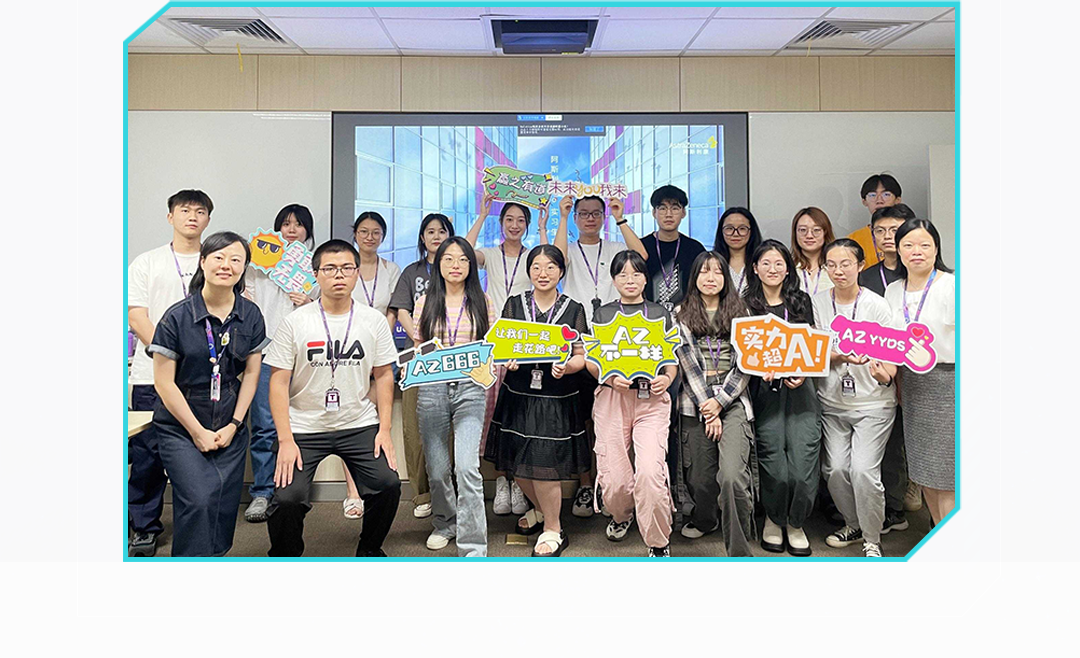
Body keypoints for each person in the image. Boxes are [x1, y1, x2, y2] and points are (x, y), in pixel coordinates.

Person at [264, 240, 401, 557]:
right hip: (304, 426)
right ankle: (285, 556)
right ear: (316, 275)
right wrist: (285, 439)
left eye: (346, 268)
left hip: (358, 422)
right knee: (287, 499)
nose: (339, 275)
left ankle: (369, 550)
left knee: (388, 484)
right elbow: (278, 382)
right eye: (330, 268)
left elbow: (384, 375)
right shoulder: (296, 321)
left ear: (357, 273)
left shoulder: (373, 320)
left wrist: (384, 429)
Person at [148, 232, 268, 556]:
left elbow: (252, 373)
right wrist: (197, 431)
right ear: (203, 262)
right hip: (181, 423)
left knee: (222, 503)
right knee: (199, 499)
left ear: (244, 268)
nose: (226, 265)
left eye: (236, 259)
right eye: (218, 257)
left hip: (229, 419)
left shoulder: (251, 315)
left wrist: (234, 424)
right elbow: (164, 383)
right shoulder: (176, 317)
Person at [484, 245, 591, 557]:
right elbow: (500, 346)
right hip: (518, 395)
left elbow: (582, 356)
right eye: (536, 267)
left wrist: (568, 367)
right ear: (528, 271)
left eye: (550, 267)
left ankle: (554, 529)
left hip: (555, 398)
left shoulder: (573, 308)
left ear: (561, 271)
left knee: (544, 466)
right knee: (517, 465)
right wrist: (506, 360)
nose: (543, 274)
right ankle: (544, 511)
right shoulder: (514, 304)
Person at [127, 189, 213, 556]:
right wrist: (169, 355)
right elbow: (137, 317)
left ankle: (197, 524)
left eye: (200, 211)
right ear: (170, 216)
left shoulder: (217, 260)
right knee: (147, 456)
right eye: (184, 210)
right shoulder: (146, 262)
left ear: (208, 219)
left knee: (198, 454)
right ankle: (143, 527)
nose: (192, 216)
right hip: (151, 376)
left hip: (202, 380)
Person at [554, 195, 647, 518]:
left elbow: (642, 257)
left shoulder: (615, 248)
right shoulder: (569, 247)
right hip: (578, 341)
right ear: (576, 218)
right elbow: (557, 260)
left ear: (603, 217)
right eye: (583, 214)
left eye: (596, 213)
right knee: (582, 420)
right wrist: (562, 217)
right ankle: (587, 484)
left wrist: (621, 218)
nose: (590, 218)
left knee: (616, 421)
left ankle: (615, 484)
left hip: (615, 343)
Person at [586, 250, 678, 558]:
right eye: (622, 274)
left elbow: (670, 358)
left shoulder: (660, 313)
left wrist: (667, 378)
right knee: (614, 479)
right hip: (612, 398)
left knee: (650, 471)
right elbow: (592, 361)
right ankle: (622, 515)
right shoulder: (602, 314)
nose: (630, 280)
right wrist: (610, 378)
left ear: (645, 279)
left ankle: (658, 541)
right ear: (613, 280)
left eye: (636, 274)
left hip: (651, 400)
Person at [812, 239, 899, 558]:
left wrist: (884, 375)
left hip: (873, 403)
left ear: (861, 265)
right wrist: (839, 356)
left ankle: (872, 539)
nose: (839, 271)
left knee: (863, 471)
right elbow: (813, 351)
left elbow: (892, 355)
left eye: (846, 263)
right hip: (832, 402)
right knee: (834, 469)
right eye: (832, 265)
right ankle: (854, 524)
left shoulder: (877, 305)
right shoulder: (818, 302)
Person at [466, 195, 550, 517]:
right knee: (495, 413)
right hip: (494, 341)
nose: (515, 225)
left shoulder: (532, 257)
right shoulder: (489, 254)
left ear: (527, 225)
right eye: (509, 220)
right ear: (501, 223)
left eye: (521, 221)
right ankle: (503, 479)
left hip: (526, 343)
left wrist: (543, 227)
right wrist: (482, 215)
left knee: (521, 412)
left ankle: (519, 481)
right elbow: (463, 251)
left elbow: (552, 260)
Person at [413, 237, 497, 557]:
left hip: (470, 389)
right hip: (432, 389)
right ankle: (445, 523)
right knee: (437, 469)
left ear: (471, 266)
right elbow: (420, 347)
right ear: (438, 264)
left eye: (463, 260)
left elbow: (491, 347)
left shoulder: (483, 301)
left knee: (467, 467)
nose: (456, 266)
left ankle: (473, 544)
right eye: (448, 259)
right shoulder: (425, 302)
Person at [673, 251, 756, 557]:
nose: (711, 278)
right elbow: (687, 363)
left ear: (726, 278)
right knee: (700, 480)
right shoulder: (679, 313)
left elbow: (747, 363)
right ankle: (706, 519)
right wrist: (708, 405)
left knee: (732, 477)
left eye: (718, 272)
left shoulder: (742, 311)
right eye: (704, 272)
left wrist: (720, 403)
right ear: (694, 277)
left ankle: (740, 554)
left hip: (733, 400)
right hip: (694, 400)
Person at [744, 239, 821, 557]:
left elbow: (812, 344)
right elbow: (742, 351)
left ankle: (796, 523)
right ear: (755, 268)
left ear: (788, 269)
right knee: (773, 460)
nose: (772, 269)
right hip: (763, 390)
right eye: (766, 263)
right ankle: (774, 520)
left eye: (779, 263)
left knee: (803, 462)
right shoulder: (745, 304)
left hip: (801, 389)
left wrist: (803, 371)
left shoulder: (800, 301)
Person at [242, 204, 318, 524]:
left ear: (307, 230)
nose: (292, 230)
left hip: (304, 354)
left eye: (298, 225)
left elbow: (330, 309)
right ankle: (262, 491)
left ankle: (293, 491)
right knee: (264, 425)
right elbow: (245, 300)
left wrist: (310, 302)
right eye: (286, 224)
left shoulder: (316, 265)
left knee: (303, 424)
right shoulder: (258, 263)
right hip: (266, 351)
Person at [884, 219, 956, 526]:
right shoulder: (892, 291)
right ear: (898, 251)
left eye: (925, 245)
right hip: (912, 385)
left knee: (948, 475)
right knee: (925, 472)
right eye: (909, 245)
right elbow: (890, 343)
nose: (917, 251)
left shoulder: (952, 285)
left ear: (936, 249)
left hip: (949, 383)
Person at [387, 213, 454, 521]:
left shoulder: (457, 269)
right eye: (430, 231)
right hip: (416, 355)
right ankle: (422, 494)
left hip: (451, 358)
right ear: (422, 238)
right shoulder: (412, 272)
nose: (436, 236)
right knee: (415, 428)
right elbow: (402, 308)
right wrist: (419, 337)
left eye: (442, 231)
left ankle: (449, 491)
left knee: (448, 427)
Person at [858, 203, 921, 525]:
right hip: (878, 365)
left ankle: (913, 485)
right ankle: (892, 506)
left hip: (917, 364)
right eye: (880, 231)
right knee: (890, 438)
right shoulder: (867, 275)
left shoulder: (919, 273)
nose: (886, 237)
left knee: (917, 433)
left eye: (894, 230)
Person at [339, 211, 402, 522]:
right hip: (344, 350)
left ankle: (372, 485)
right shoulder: (344, 265)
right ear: (355, 233)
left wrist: (379, 336)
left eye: (376, 232)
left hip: (379, 348)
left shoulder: (391, 269)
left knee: (370, 418)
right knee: (348, 418)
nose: (370, 237)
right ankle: (352, 491)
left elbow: (393, 309)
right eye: (364, 231)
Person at [640, 185, 706, 312]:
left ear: (683, 213)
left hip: (687, 316)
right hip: (647, 316)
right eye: (662, 208)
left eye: (675, 208)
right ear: (654, 213)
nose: (668, 214)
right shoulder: (642, 246)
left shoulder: (695, 248)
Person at [713, 207, 763, 297]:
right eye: (729, 228)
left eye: (742, 228)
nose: (735, 234)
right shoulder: (713, 262)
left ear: (751, 231)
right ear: (721, 231)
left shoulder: (762, 262)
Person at [790, 207, 836, 297]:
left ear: (826, 233)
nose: (809, 236)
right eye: (803, 230)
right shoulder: (787, 268)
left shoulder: (837, 268)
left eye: (816, 230)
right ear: (795, 233)